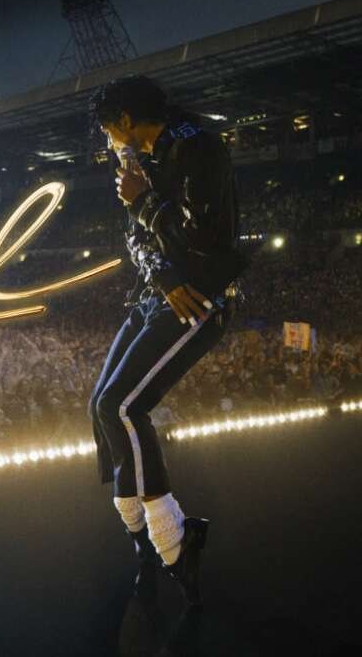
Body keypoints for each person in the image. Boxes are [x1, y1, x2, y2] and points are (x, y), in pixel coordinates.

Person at [88, 74, 248, 606]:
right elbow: (135, 238)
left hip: (200, 299)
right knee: (100, 407)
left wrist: (144, 202)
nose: (107, 140)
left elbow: (206, 237)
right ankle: (143, 541)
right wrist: (161, 272)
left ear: (126, 120)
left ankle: (175, 544)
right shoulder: (142, 158)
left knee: (122, 406)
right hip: (161, 292)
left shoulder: (197, 148)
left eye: (108, 128)